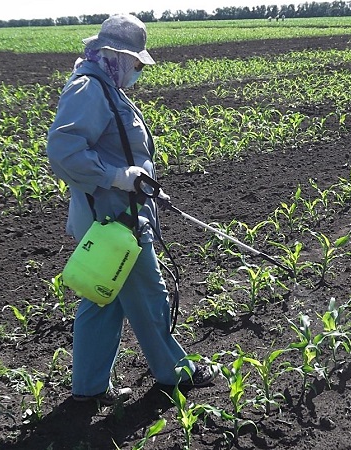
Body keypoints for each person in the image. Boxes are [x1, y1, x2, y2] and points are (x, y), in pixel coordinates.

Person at [46, 14, 215, 405]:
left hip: (119, 212)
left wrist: (143, 186)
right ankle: (175, 373)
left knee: (102, 301)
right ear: (114, 55)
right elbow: (64, 151)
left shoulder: (105, 86)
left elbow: (118, 149)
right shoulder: (89, 89)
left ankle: (87, 390)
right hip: (115, 220)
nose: (139, 70)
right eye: (136, 63)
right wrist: (118, 177)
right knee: (149, 295)